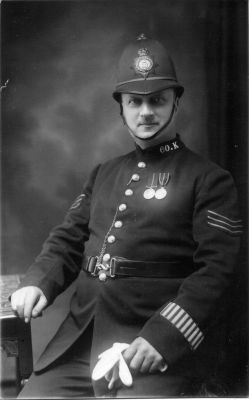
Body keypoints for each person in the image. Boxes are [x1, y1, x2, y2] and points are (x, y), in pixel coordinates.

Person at [10, 34, 242, 398]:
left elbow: (218, 272)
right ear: (121, 107)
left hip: (151, 349)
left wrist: (164, 337)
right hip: (81, 348)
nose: (145, 112)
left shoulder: (209, 179)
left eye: (157, 100)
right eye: (134, 102)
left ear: (175, 102)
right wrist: (38, 281)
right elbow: (68, 240)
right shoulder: (104, 173)